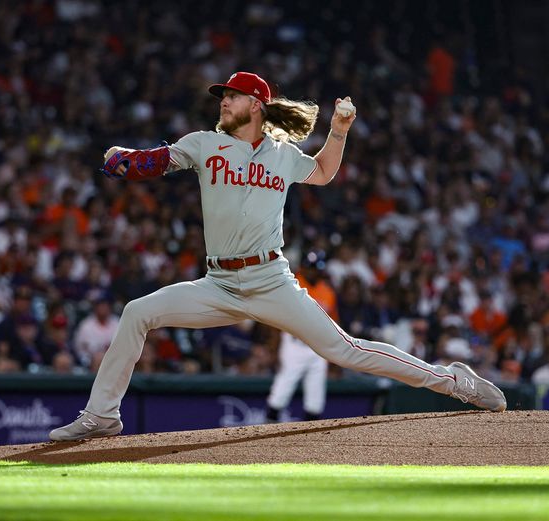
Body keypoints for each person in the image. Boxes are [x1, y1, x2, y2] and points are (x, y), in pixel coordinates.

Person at [50, 71, 506, 441]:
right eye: (222, 97)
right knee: (137, 312)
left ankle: (453, 380)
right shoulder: (204, 144)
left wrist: (339, 131)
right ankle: (102, 415)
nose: (223, 103)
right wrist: (120, 157)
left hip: (271, 280)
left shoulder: (284, 155)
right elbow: (150, 162)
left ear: (256, 105)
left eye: (231, 96)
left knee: (344, 351)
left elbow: (325, 172)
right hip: (218, 285)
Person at [266, 250, 336, 422]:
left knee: (315, 402)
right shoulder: (291, 284)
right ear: (303, 267)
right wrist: (274, 348)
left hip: (318, 348)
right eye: (309, 267)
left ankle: (308, 443)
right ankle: (266, 439)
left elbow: (333, 325)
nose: (312, 271)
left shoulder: (327, 292)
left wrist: (334, 357)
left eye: (315, 268)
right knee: (279, 395)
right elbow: (275, 317)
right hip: (293, 345)